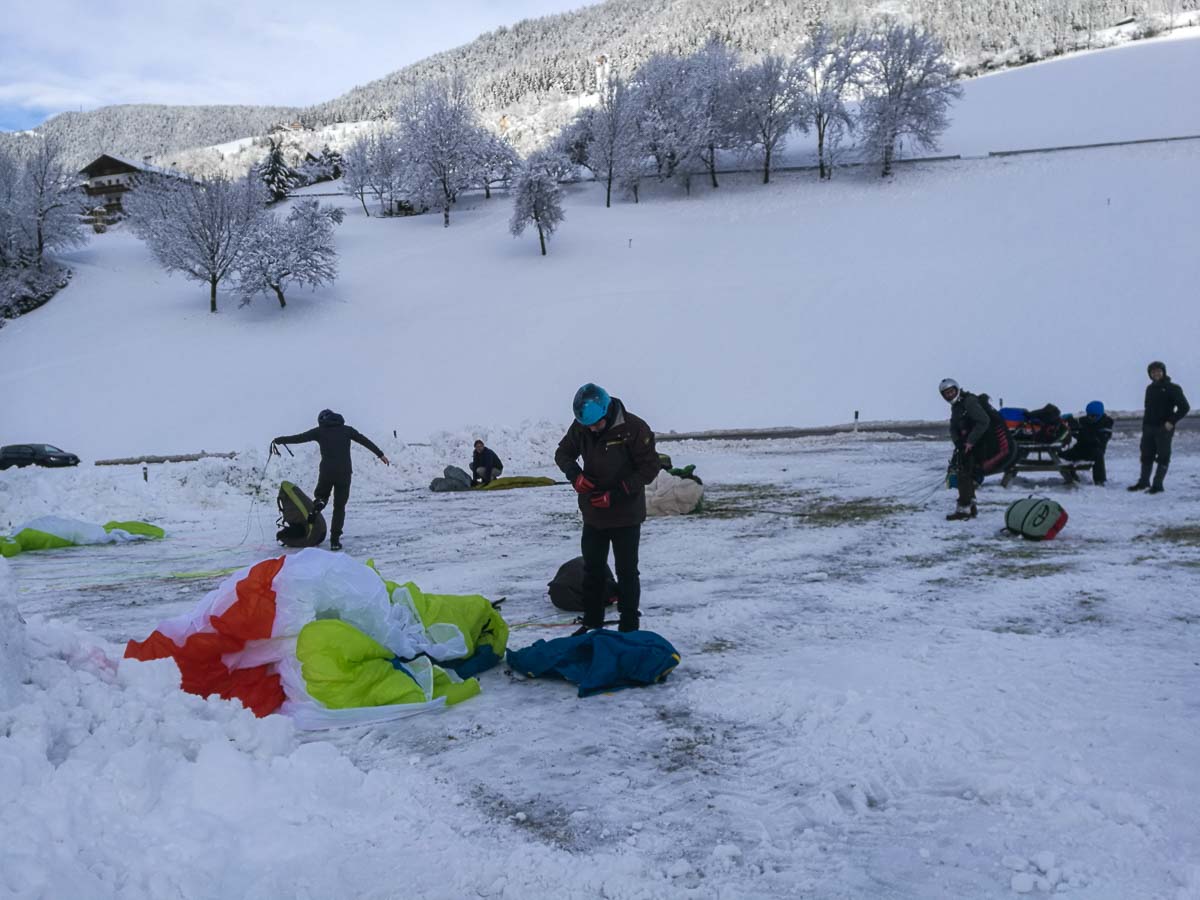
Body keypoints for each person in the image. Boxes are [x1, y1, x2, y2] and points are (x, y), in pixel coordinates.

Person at [554, 383, 660, 634]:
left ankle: (629, 626)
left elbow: (649, 467)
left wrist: (617, 493)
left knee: (626, 572)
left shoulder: (634, 428)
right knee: (592, 570)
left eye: (596, 424)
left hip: (626, 515)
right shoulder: (581, 427)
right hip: (594, 515)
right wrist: (575, 475)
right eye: (587, 425)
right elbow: (563, 453)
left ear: (607, 411)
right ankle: (592, 623)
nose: (592, 429)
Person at [272, 409, 389, 551]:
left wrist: (279, 440)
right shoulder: (347, 430)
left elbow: (299, 438)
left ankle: (319, 504)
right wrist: (380, 454)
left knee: (321, 496)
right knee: (339, 507)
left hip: (327, 473)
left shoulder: (319, 431)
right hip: (344, 473)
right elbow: (364, 441)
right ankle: (335, 541)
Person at [940, 378, 1009, 521]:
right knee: (965, 474)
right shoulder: (957, 406)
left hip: (980, 444)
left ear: (957, 389)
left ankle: (964, 510)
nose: (949, 395)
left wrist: (970, 441)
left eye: (951, 391)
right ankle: (971, 508)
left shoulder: (969, 402)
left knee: (964, 475)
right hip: (967, 444)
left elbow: (984, 421)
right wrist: (958, 442)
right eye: (946, 393)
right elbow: (953, 426)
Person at [1129, 361, 1189, 494]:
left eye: (1158, 371)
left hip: (1164, 429)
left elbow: (1184, 407)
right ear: (1150, 374)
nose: (1156, 374)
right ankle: (1144, 482)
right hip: (1149, 428)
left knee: (1163, 456)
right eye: (1153, 372)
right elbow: (1148, 409)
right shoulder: (1150, 389)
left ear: (1163, 372)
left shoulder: (1173, 388)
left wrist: (1171, 422)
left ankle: (1158, 485)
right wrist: (1145, 426)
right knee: (1146, 455)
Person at [1062, 401, 1113, 485]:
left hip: (1094, 451)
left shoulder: (1106, 423)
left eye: (1093, 416)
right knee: (1061, 456)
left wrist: (1082, 432)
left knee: (1098, 455)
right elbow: (1078, 434)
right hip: (1080, 448)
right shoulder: (1083, 421)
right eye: (1089, 415)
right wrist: (1071, 424)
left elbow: (1098, 441)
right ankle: (1071, 476)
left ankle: (1100, 480)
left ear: (1100, 414)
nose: (1091, 418)